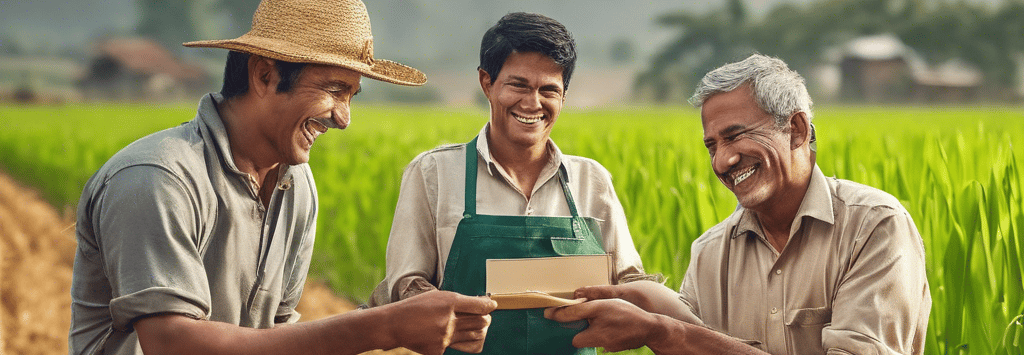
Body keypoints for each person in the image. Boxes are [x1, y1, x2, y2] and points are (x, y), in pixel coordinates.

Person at [68, 0, 496, 354]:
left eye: (352, 96)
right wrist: (382, 328)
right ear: (264, 74)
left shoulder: (297, 185)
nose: (344, 118)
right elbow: (172, 343)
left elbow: (278, 335)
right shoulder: (160, 178)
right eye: (333, 90)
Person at [546, 54, 932, 354]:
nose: (722, 161)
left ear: (796, 130)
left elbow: (689, 341)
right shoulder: (710, 253)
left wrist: (660, 329)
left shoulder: (873, 227)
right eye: (712, 145)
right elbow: (698, 344)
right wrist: (659, 308)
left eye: (736, 136)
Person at [370, 12, 654, 355]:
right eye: (519, 85)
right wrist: (449, 315)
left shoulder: (590, 180)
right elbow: (405, 284)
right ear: (487, 82)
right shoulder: (433, 174)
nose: (532, 103)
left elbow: (629, 282)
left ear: (563, 96)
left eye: (548, 90)